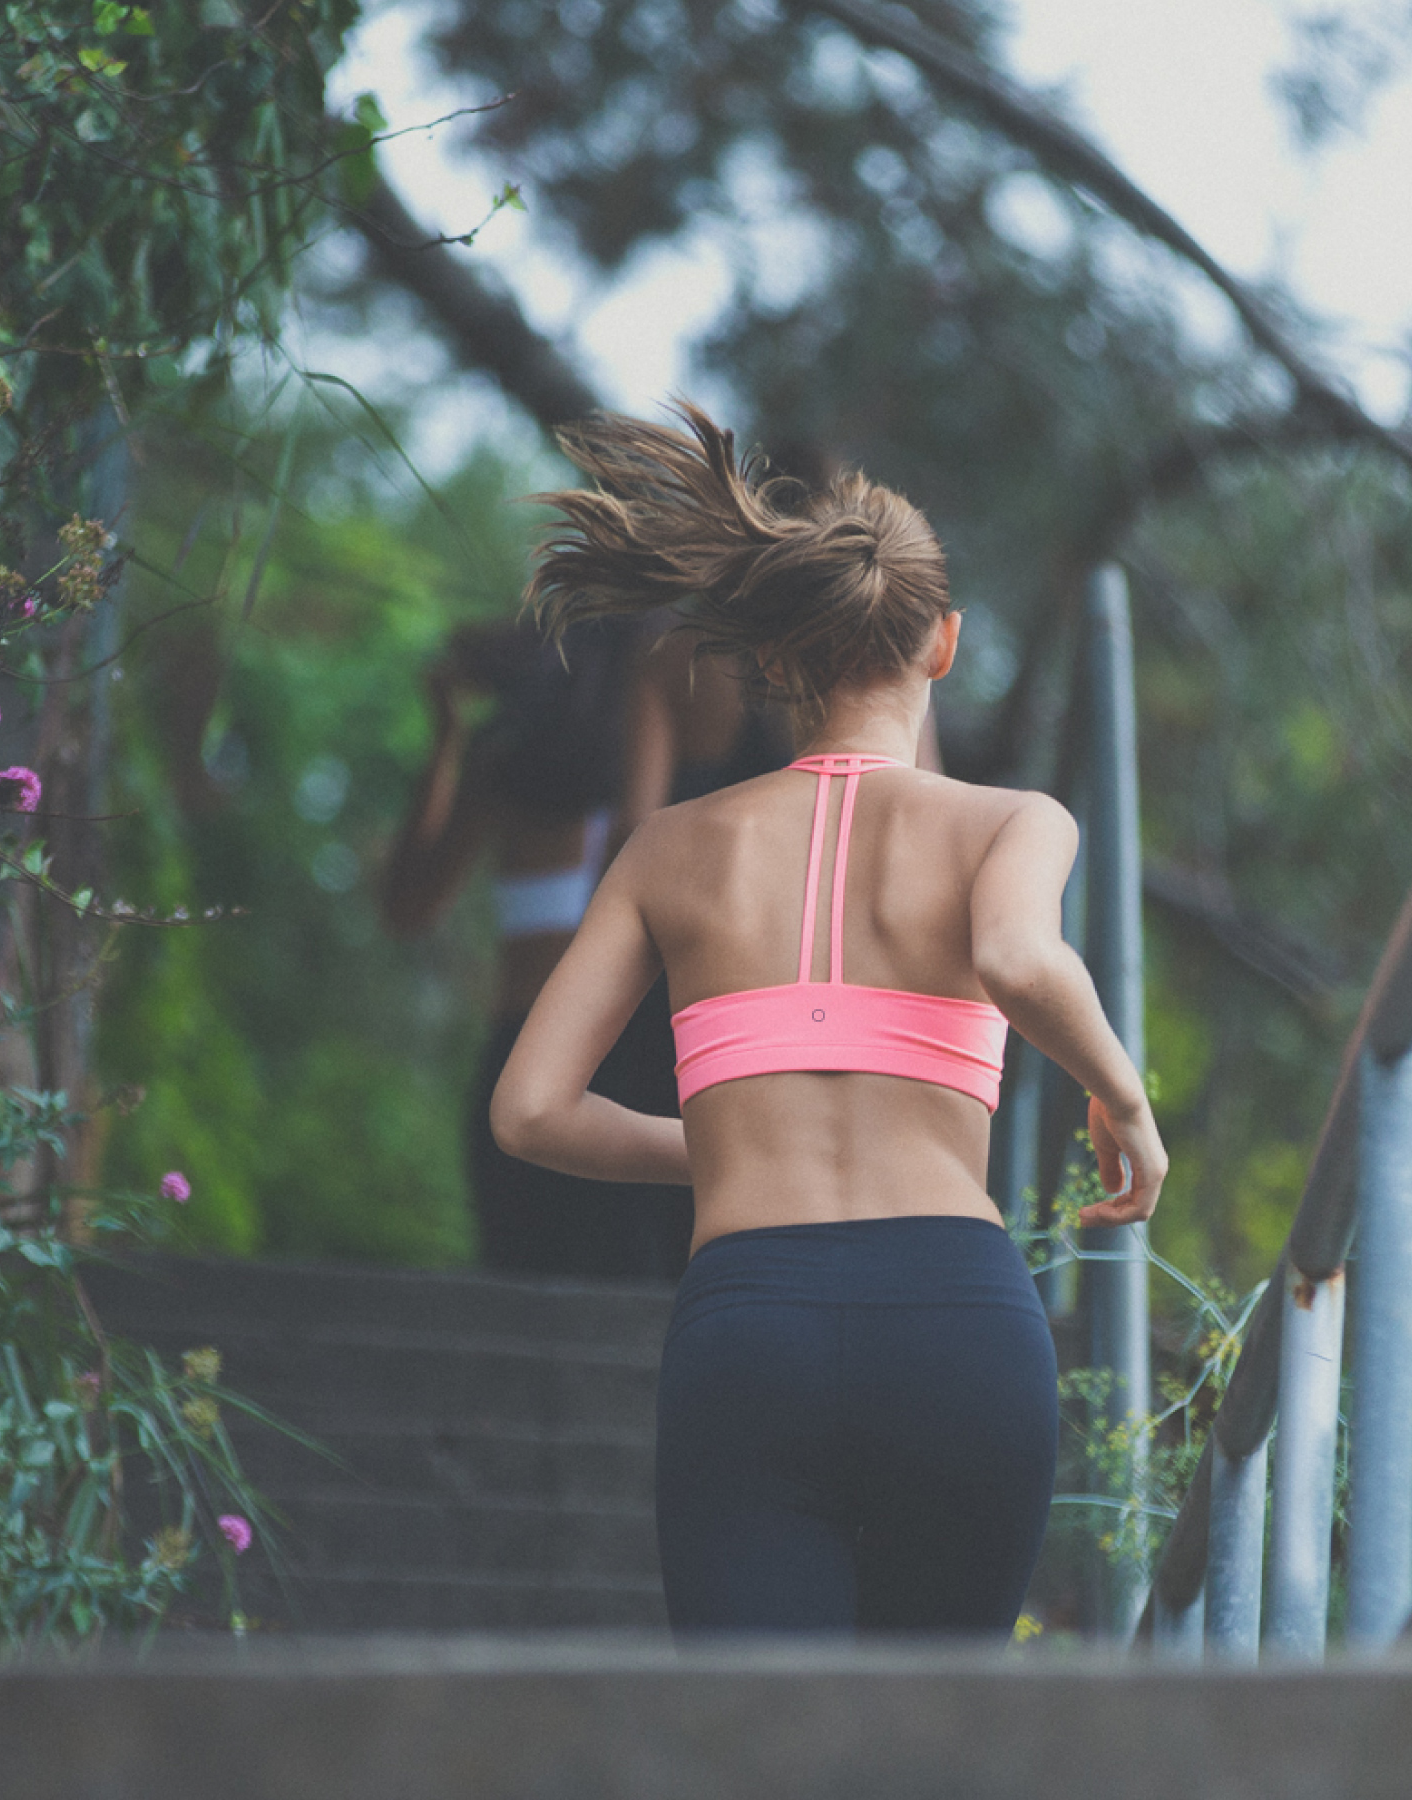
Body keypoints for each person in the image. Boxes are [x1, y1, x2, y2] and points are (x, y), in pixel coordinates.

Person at [491, 402, 1168, 1636]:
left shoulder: (669, 849)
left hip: (750, 1326)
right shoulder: (1010, 824)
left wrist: (723, 1142)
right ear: (943, 645)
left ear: (774, 659)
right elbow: (1019, 958)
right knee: (933, 1728)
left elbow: (531, 1110)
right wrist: (1124, 1101)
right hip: (960, 1323)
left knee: (758, 1729)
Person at [379, 613, 693, 1280]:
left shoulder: (508, 766)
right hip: (628, 1065)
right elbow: (406, 909)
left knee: (530, 1281)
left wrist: (446, 741)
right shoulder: (672, 777)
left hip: (535, 1057)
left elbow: (406, 907)